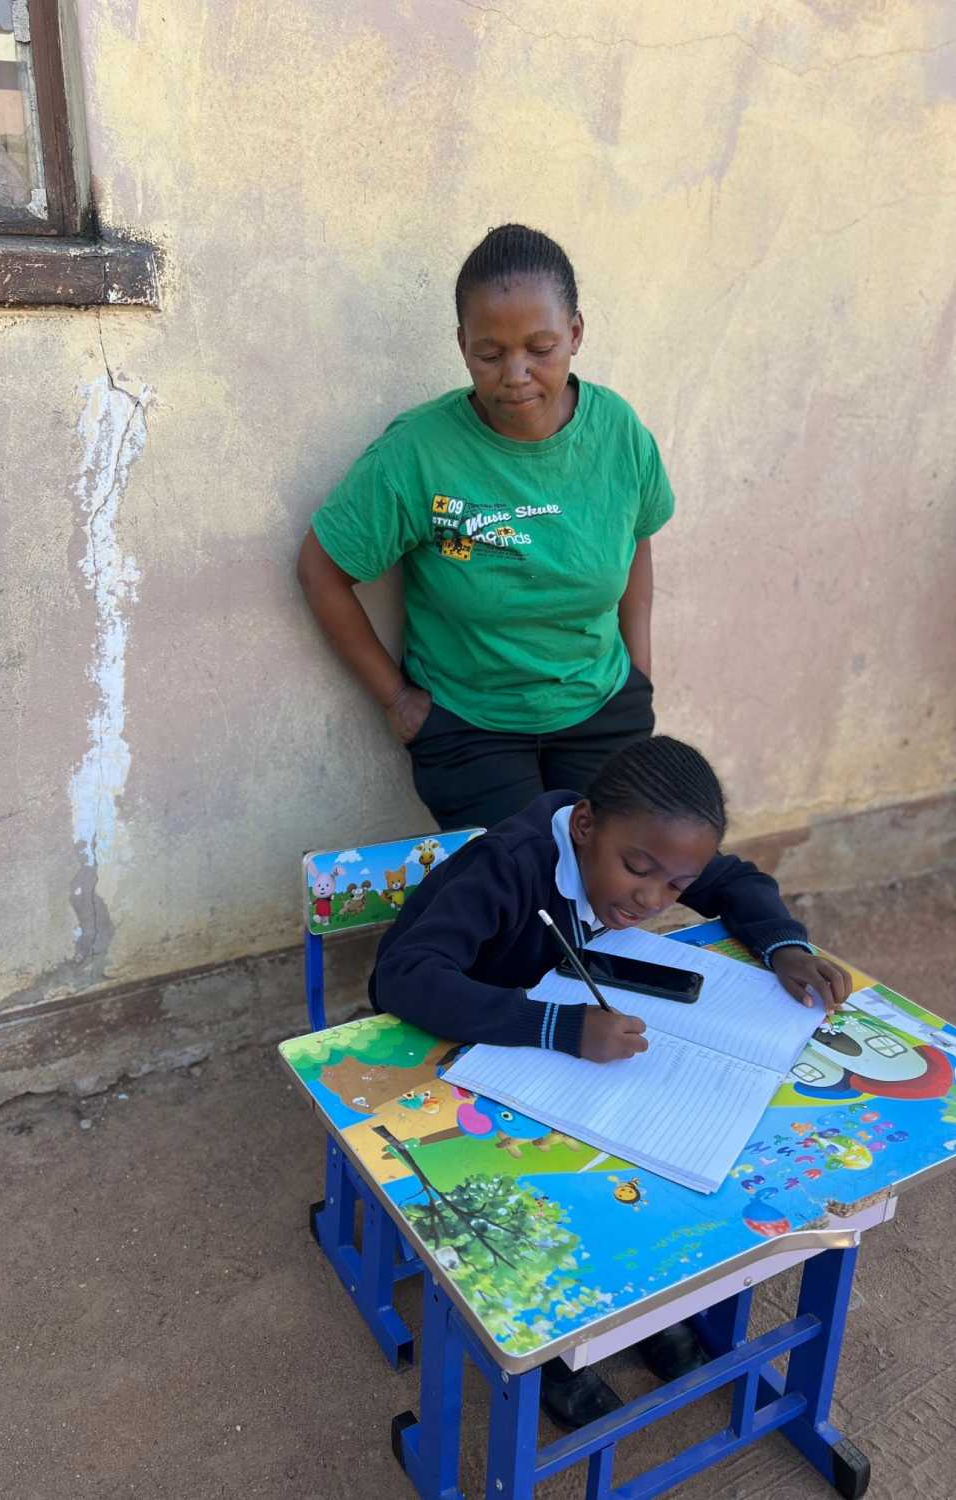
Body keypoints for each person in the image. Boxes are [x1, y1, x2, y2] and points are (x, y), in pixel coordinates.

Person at [369, 736, 853, 1429]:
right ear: (585, 825)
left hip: (561, 1050)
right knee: (537, 1183)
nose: (652, 899)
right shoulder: (506, 866)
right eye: (637, 870)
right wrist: (556, 1027)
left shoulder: (654, 843)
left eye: (676, 886)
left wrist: (784, 944)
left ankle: (641, 1306)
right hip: (464, 1047)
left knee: (639, 1156)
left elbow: (737, 880)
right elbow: (401, 977)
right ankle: (554, 1346)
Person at [298, 223, 669, 831]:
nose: (515, 373)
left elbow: (637, 541)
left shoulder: (618, 432)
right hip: (471, 728)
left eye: (540, 348)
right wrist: (396, 699)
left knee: (607, 873)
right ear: (463, 345)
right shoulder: (419, 452)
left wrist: (640, 674)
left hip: (601, 706)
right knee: (518, 881)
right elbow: (321, 570)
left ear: (576, 333)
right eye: (490, 355)